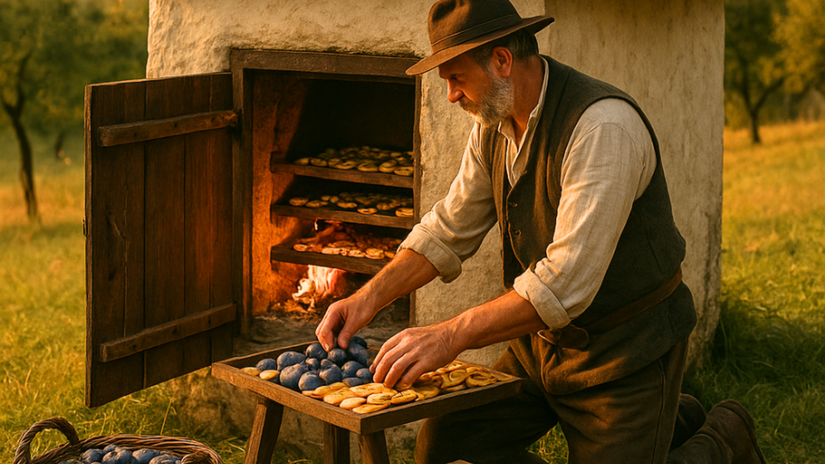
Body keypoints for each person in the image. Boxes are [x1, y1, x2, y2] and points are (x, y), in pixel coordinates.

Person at [316, 0, 766, 462]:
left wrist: (450, 335)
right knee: (446, 445)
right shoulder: (494, 121)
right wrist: (366, 298)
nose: (451, 95)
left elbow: (565, 282)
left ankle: (723, 438)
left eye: (456, 78)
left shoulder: (601, 128)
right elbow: (448, 230)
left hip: (625, 351)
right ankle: (670, 424)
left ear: (502, 61)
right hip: (541, 349)